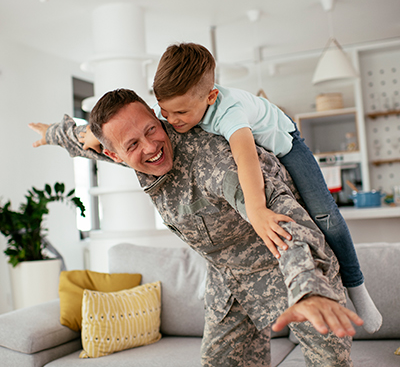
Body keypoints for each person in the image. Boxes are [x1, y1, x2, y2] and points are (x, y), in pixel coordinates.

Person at [29, 89, 363, 367]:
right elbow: (86, 138)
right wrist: (51, 134)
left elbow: (285, 217)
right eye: (131, 145)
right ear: (115, 155)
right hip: (229, 283)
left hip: (290, 271)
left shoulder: (215, 160)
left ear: (157, 117)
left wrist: (308, 289)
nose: (149, 146)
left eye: (151, 129)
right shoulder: (122, 146)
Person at [151, 42, 381, 334]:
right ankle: (216, 281)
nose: (171, 120)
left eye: (180, 112)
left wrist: (257, 210)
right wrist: (94, 134)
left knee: (325, 215)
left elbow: (246, 160)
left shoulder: (229, 112)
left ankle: (357, 288)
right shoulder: (180, 108)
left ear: (211, 97)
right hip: (250, 148)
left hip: (286, 145)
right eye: (164, 111)